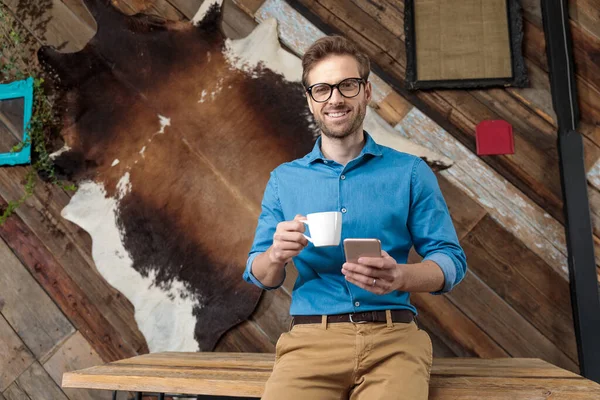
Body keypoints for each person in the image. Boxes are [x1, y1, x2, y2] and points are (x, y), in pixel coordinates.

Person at [243, 35, 467, 400]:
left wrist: (401, 276)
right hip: (311, 342)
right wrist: (275, 255)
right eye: (322, 89)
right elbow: (260, 274)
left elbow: (451, 260)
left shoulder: (410, 173)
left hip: (394, 341)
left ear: (366, 91)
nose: (335, 98)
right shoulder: (284, 180)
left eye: (347, 85)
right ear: (310, 100)